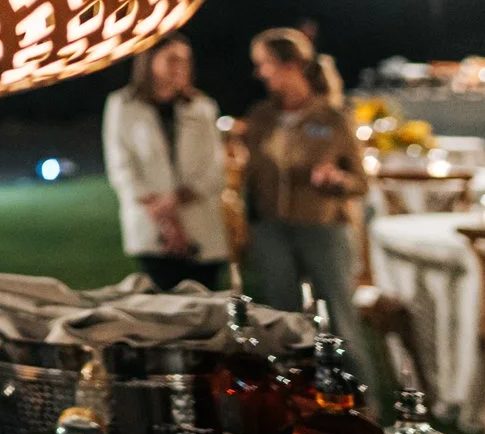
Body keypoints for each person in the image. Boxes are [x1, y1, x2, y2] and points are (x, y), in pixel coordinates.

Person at [239, 27, 366, 348]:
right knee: (282, 325)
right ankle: (296, 395)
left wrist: (337, 180)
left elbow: (360, 182)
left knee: (340, 322)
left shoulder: (332, 118)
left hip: (322, 228)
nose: (259, 72)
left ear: (291, 66)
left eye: (265, 63)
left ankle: (361, 394)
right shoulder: (261, 117)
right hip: (271, 231)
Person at [102, 36, 230, 289]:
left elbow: (213, 166)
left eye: (185, 60)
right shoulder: (123, 106)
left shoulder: (201, 107)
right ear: (150, 62)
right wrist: (162, 215)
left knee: (205, 306)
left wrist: (175, 200)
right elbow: (121, 165)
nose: (180, 67)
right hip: (152, 229)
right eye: (172, 59)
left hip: (199, 223)